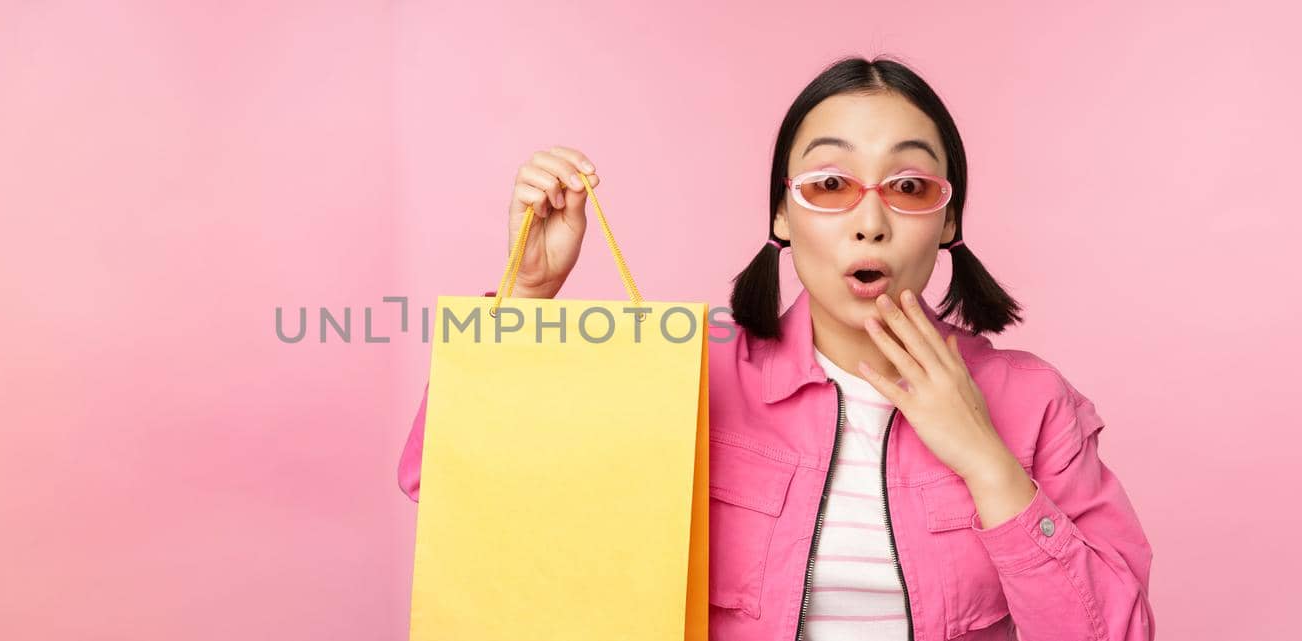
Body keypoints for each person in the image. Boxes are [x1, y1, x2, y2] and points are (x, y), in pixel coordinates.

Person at [396, 55, 1153, 640]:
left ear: (948, 220)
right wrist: (528, 299)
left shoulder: (1034, 401)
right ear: (782, 216)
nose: (870, 220)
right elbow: (453, 492)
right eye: (829, 183)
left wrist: (987, 460)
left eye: (910, 186)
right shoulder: (695, 376)